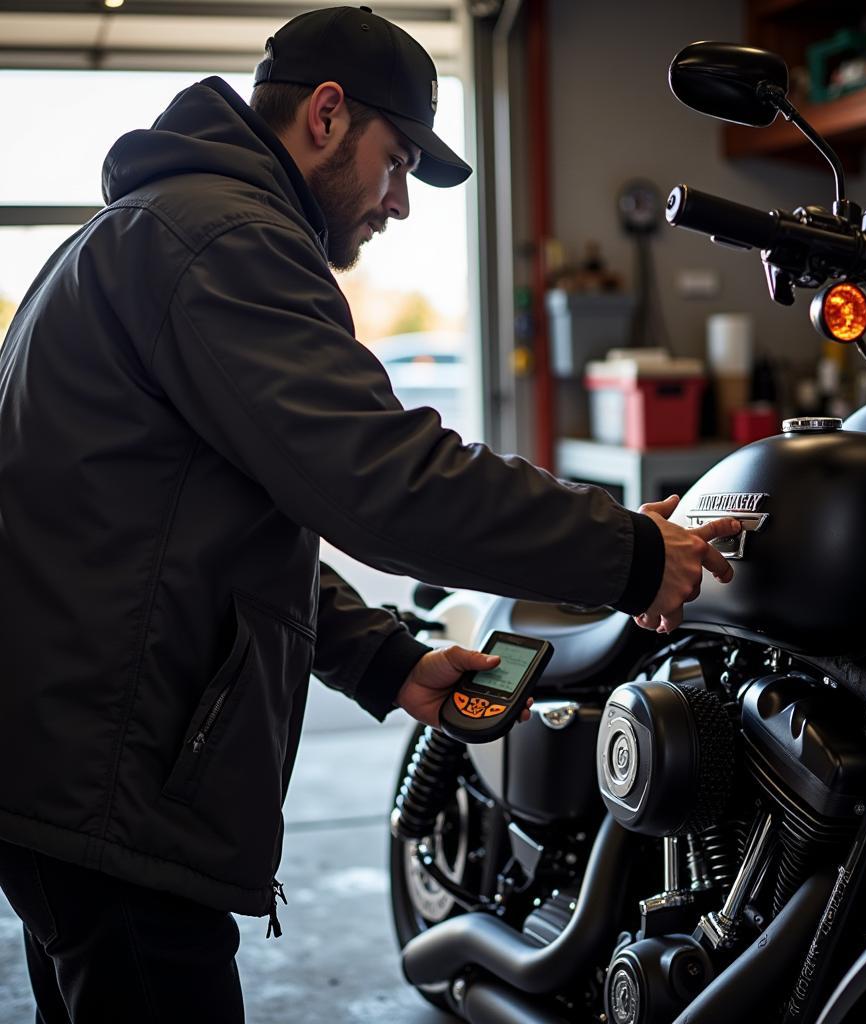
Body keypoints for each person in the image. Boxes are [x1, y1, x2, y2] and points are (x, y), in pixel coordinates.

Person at [0, 6, 740, 1022]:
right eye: (396, 163)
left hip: (67, 761)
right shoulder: (223, 241)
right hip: (107, 774)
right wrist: (625, 552)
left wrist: (386, 660)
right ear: (327, 115)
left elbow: (212, 528)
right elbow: (381, 477)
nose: (396, 203)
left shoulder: (155, 228)